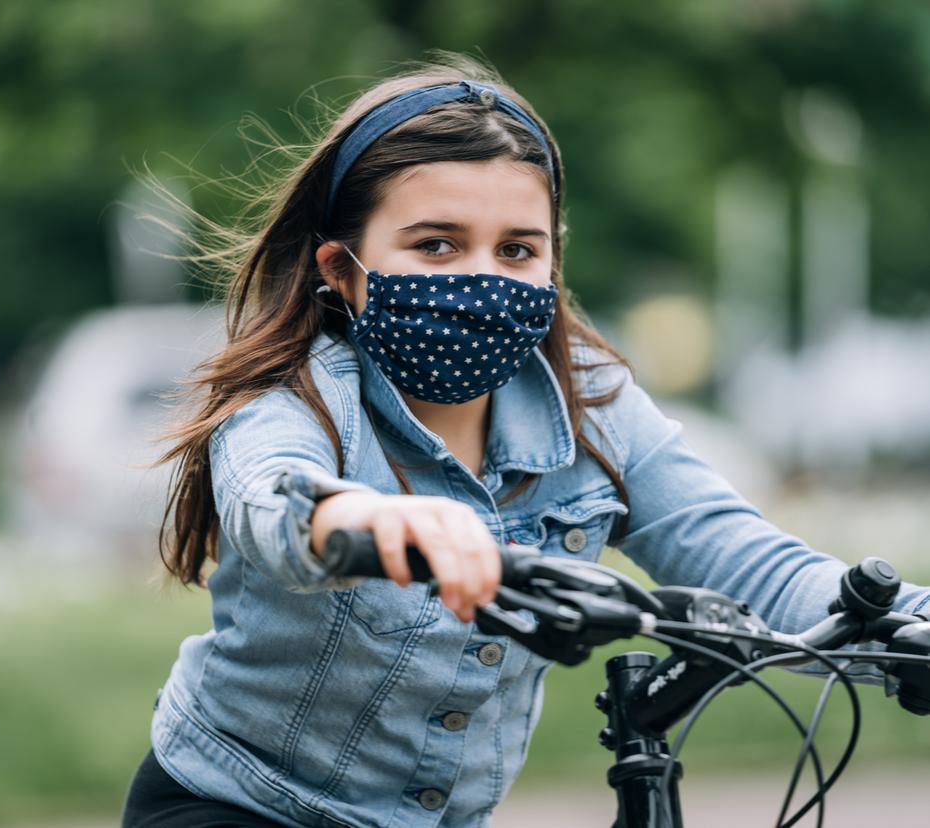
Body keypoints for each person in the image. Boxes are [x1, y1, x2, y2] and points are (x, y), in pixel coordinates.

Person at [121, 55, 930, 828]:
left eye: (517, 250)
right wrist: (375, 524)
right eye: (436, 244)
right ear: (344, 269)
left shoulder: (596, 407)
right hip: (241, 805)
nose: (482, 278)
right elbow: (277, 504)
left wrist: (910, 626)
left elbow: (753, 566)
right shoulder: (291, 400)